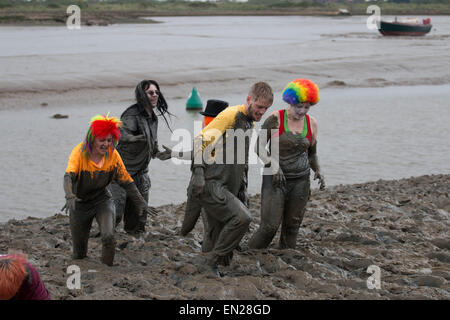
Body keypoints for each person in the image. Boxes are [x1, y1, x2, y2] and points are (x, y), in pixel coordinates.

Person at [190, 82, 273, 273]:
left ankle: (208, 269)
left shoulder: (249, 119)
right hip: (212, 182)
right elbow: (199, 141)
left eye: (265, 109)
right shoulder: (230, 115)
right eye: (259, 107)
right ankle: (210, 262)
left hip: (230, 183)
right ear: (248, 100)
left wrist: (242, 189)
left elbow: (239, 158)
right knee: (242, 218)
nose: (261, 112)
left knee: (215, 231)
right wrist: (199, 173)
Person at [64, 114, 155, 266]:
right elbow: (68, 176)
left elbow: (127, 181)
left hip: (102, 200)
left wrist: (141, 202)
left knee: (108, 236)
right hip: (79, 203)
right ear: (92, 139)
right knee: (79, 254)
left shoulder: (113, 155)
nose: (106, 144)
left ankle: (107, 268)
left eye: (109, 140)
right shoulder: (79, 153)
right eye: (102, 140)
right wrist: (69, 195)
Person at [248, 78, 325, 250]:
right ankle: (249, 254)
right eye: (299, 106)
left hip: (301, 180)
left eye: (307, 107)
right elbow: (258, 147)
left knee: (293, 226)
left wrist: (318, 170)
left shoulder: (311, 123)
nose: (302, 111)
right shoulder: (275, 119)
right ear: (290, 102)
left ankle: (286, 254)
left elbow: (312, 153)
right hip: (275, 178)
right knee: (269, 227)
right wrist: (273, 165)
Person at [110, 80, 172, 235]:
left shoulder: (152, 117)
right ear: (142, 95)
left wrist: (160, 154)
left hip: (141, 172)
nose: (155, 95)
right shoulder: (132, 114)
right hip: (122, 172)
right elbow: (121, 133)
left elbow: (152, 144)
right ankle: (105, 237)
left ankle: (133, 235)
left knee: (139, 217)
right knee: (116, 212)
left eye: (156, 92)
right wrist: (131, 138)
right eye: (151, 92)